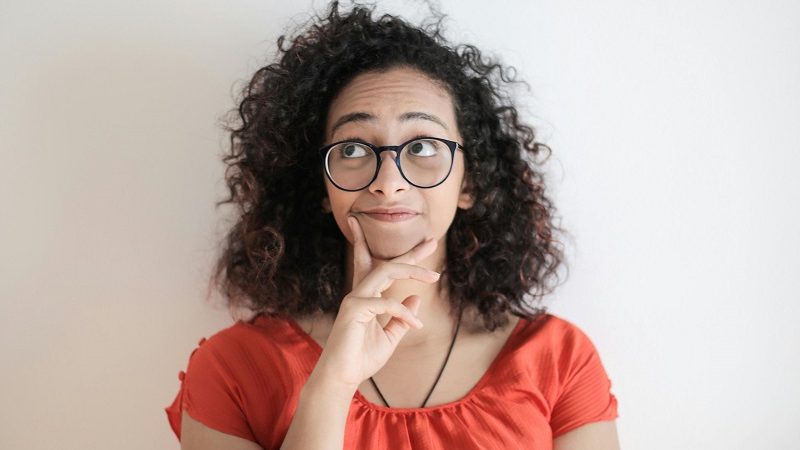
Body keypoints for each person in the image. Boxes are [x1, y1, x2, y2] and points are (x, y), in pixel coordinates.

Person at [165, 2, 619, 449]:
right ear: (323, 188)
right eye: (353, 149)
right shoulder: (232, 369)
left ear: (470, 181)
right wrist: (333, 382)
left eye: (422, 147)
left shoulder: (560, 360)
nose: (389, 183)